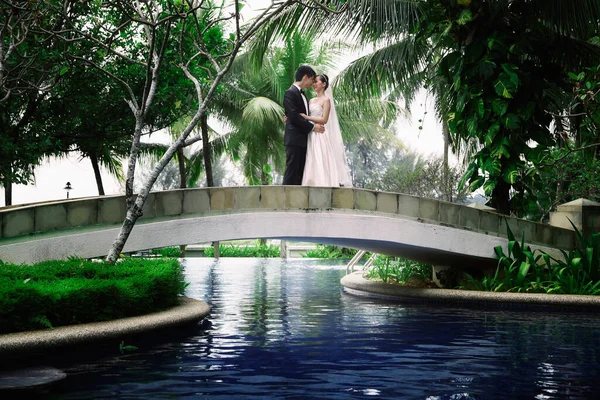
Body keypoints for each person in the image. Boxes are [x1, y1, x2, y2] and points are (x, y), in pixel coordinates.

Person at [300, 74, 353, 187]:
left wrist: (307, 118)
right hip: (310, 132)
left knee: (319, 158)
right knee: (310, 159)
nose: (314, 84)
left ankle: (321, 183)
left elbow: (324, 119)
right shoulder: (311, 100)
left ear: (324, 84)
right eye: (313, 82)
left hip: (319, 134)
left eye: (316, 82)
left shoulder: (326, 100)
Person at [282, 65, 325, 185]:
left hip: (304, 140)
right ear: (305, 77)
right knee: (291, 171)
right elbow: (294, 116)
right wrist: (312, 127)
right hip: (294, 139)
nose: (312, 83)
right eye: (312, 80)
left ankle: (296, 202)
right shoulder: (290, 93)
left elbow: (300, 115)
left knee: (300, 173)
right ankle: (285, 200)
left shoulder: (304, 96)